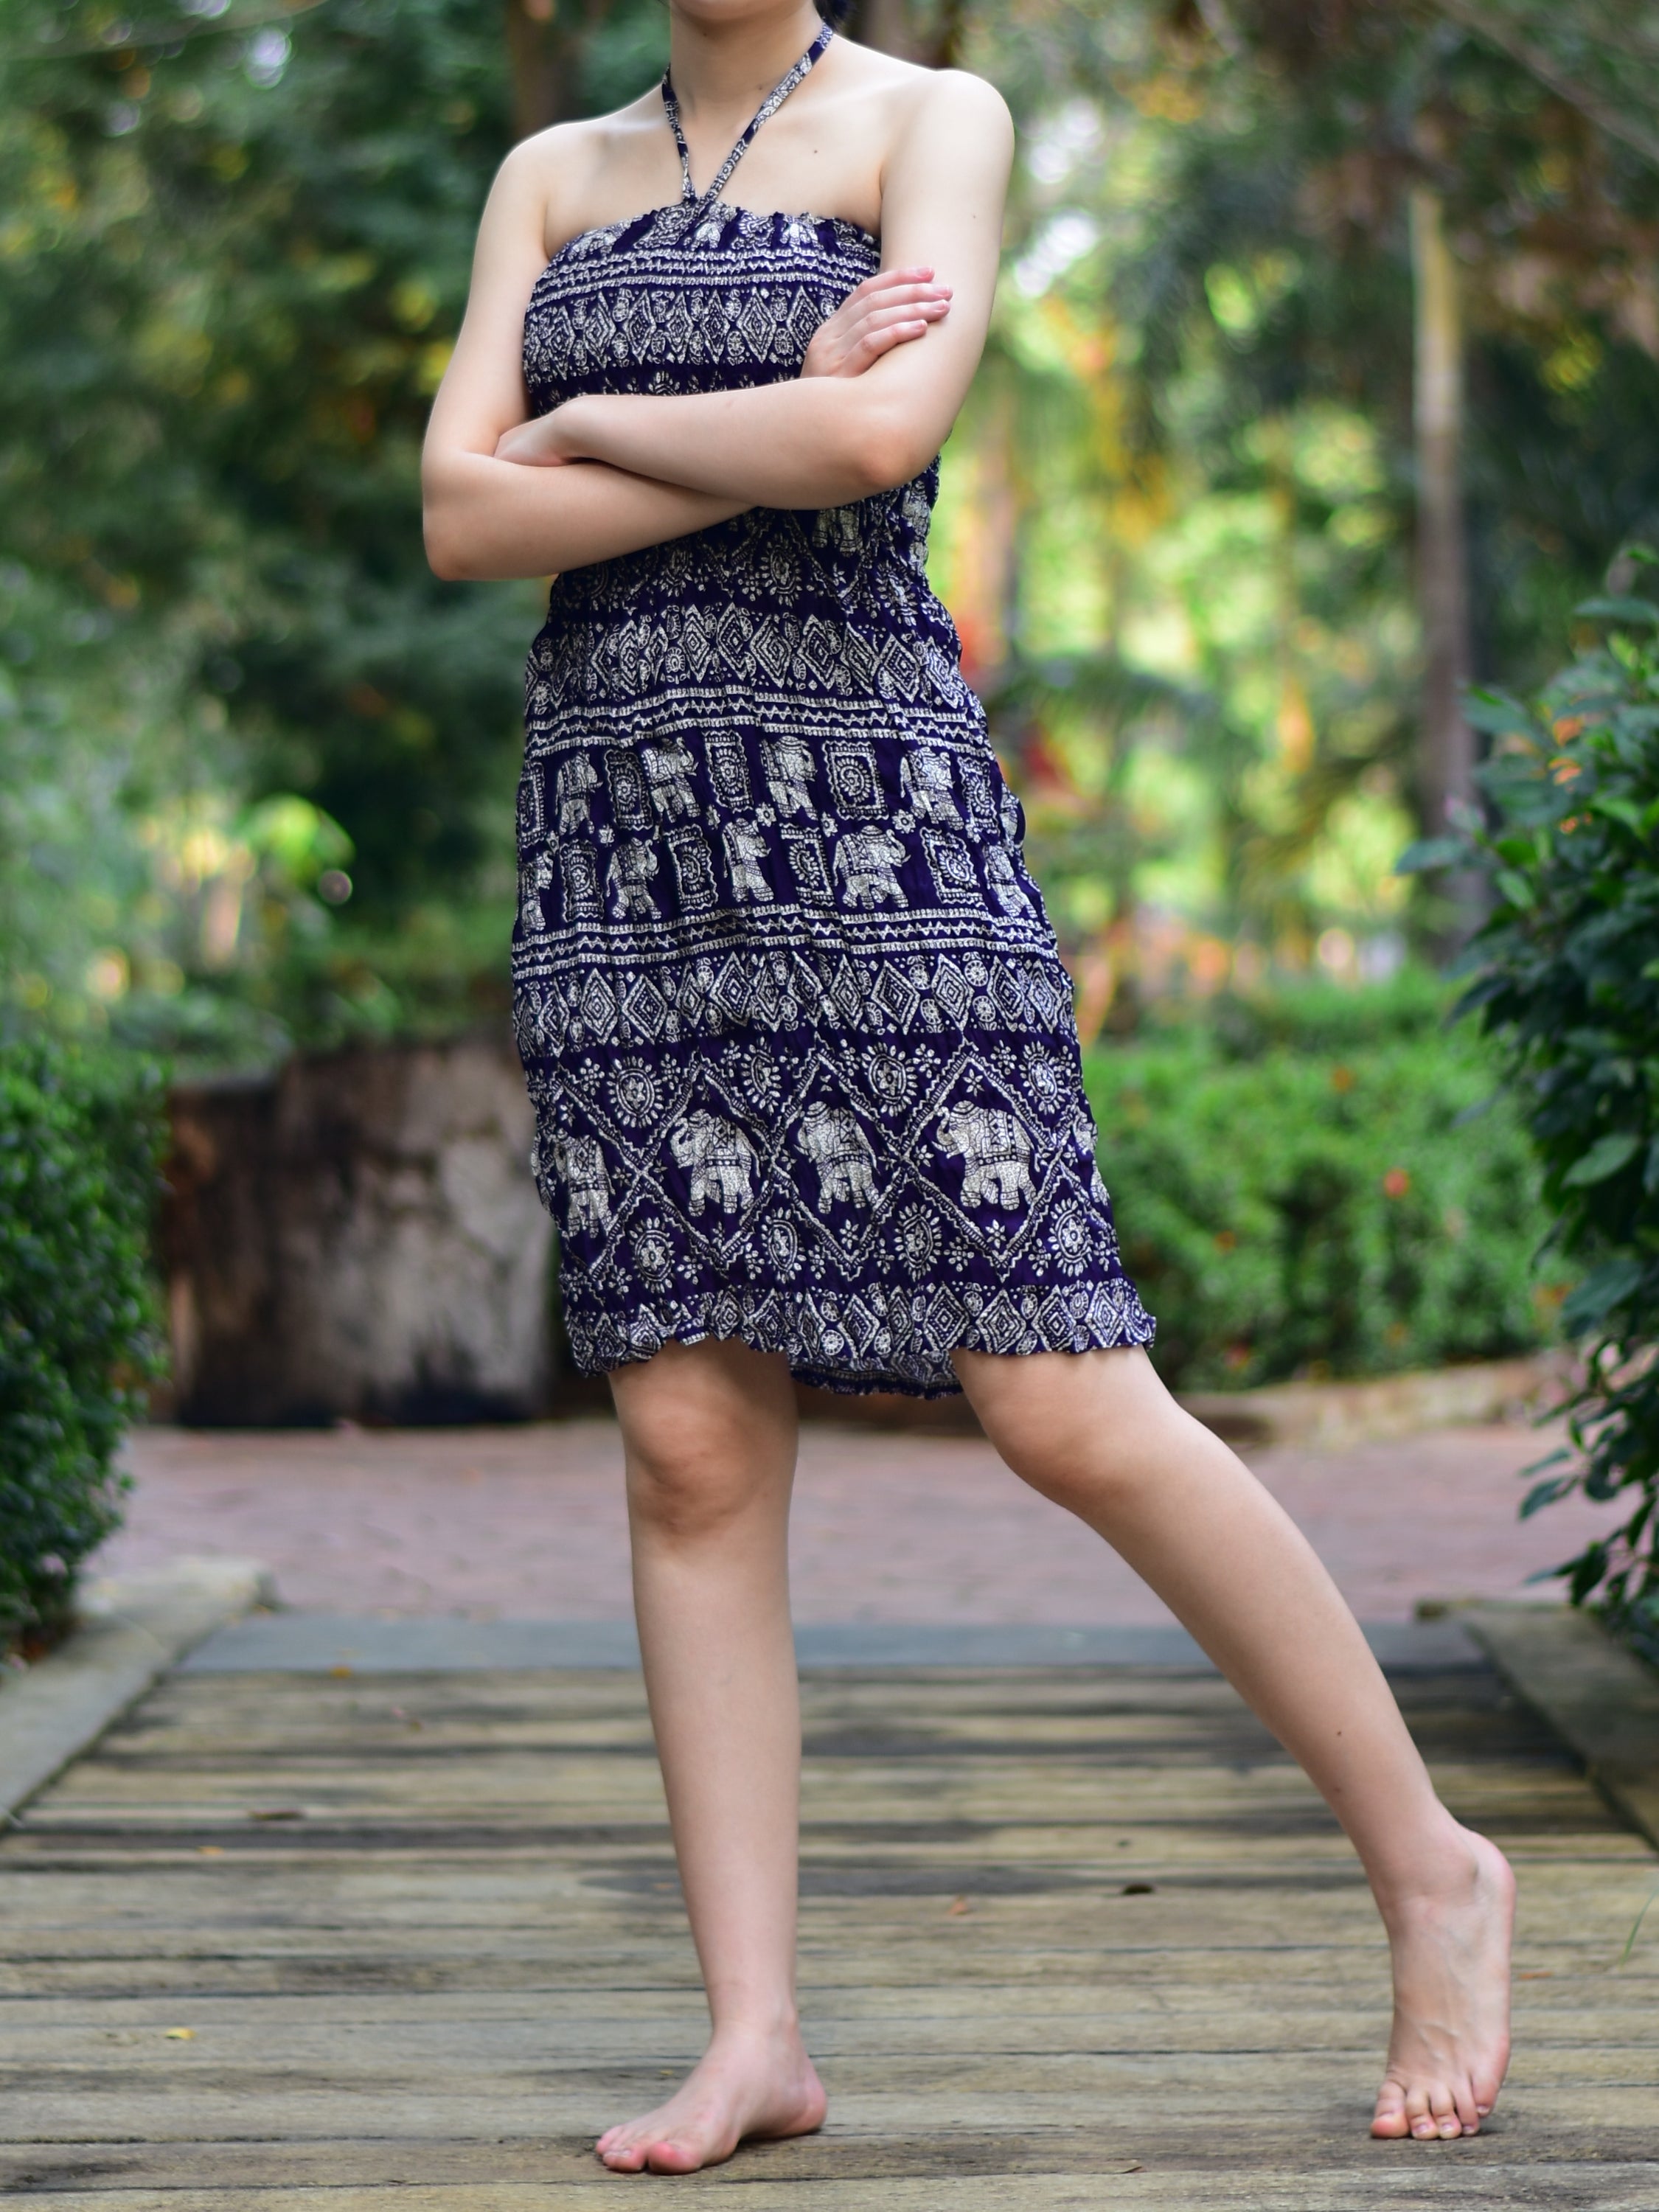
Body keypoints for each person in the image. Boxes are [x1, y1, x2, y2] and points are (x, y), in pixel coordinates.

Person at [421, 0, 1514, 2175]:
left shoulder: (935, 117)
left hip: (871, 827)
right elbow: (458, 519)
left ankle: (1428, 1861)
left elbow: (870, 450)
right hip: (624, 842)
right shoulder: (547, 176)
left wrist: (601, 427)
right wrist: (755, 402)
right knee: (687, 1439)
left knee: (1058, 1390)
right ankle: (756, 2038)